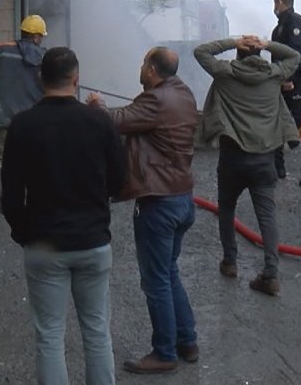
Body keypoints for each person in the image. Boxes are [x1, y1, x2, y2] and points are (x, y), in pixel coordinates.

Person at [2, 47, 126, 385]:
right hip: (92, 243)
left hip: (44, 246)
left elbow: (10, 196)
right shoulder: (98, 121)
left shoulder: (22, 125)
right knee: (97, 332)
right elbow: (120, 182)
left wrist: (25, 234)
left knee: (50, 337)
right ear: (76, 78)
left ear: (41, 78)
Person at [88, 47, 200, 374]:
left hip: (159, 201)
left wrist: (98, 107)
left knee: (156, 281)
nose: (140, 67)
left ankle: (165, 352)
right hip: (183, 197)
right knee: (170, 272)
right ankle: (187, 340)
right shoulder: (183, 94)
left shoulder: (155, 100)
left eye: (142, 63)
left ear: (152, 69)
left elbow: (117, 122)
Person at [194, 35, 300, 296]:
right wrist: (268, 44)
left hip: (232, 157)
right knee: (267, 216)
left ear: (239, 54)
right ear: (260, 56)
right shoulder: (274, 75)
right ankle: (271, 275)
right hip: (264, 159)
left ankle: (230, 262)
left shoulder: (226, 73)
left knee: (227, 209)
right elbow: (295, 56)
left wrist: (234, 41)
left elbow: (201, 51)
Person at [0, 15, 48, 211]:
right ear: (35, 37)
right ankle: (34, 198)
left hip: (3, 116)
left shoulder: (2, 51)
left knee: (5, 161)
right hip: (31, 120)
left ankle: (7, 200)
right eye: (41, 36)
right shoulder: (44, 58)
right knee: (33, 158)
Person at [271, 0, 301, 181]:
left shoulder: (295, 22)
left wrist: (291, 80)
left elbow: (297, 55)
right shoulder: (278, 28)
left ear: (280, 2)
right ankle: (277, 168)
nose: (274, 8)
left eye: (275, 4)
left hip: (296, 84)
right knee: (277, 123)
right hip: (282, 84)